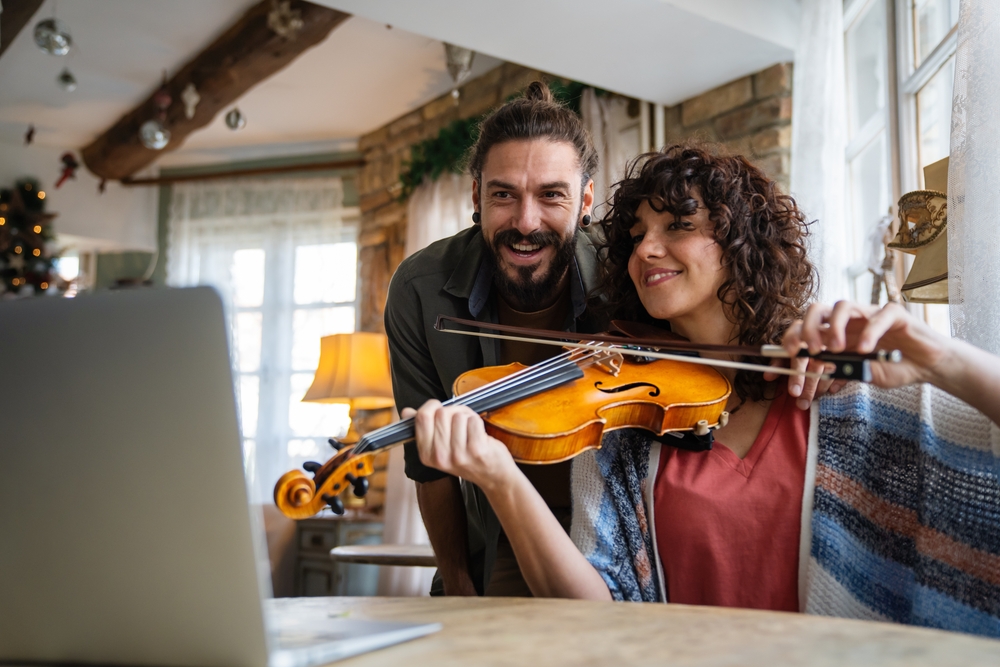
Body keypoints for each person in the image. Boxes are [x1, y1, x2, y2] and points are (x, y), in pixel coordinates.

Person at [406, 145, 1000, 637]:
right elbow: (591, 613)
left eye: (678, 226)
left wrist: (940, 357)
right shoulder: (629, 422)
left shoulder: (846, 389)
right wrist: (500, 477)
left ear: (743, 242)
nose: (645, 249)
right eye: (636, 235)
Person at [384, 81, 605, 596]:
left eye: (552, 195)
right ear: (476, 196)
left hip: (610, 542)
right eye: (503, 194)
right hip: (499, 544)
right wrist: (460, 582)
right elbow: (428, 462)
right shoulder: (421, 288)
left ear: (586, 200)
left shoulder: (632, 273)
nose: (525, 223)